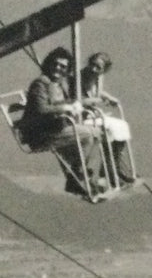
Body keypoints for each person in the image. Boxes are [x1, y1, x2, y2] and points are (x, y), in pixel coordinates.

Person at [21, 48, 103, 195]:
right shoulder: (41, 83)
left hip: (55, 128)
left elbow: (59, 102)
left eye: (63, 67)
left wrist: (73, 103)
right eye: (56, 64)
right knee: (91, 134)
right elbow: (41, 109)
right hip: (41, 134)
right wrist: (66, 107)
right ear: (49, 63)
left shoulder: (57, 84)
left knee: (93, 134)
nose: (58, 68)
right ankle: (77, 178)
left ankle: (82, 177)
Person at [78, 50, 135, 184]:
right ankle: (109, 171)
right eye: (92, 64)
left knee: (122, 126)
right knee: (110, 128)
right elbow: (79, 99)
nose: (93, 69)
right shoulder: (81, 76)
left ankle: (113, 168)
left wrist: (108, 97)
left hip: (93, 114)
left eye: (98, 67)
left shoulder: (98, 78)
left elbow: (97, 92)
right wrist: (97, 102)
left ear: (103, 70)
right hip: (83, 116)